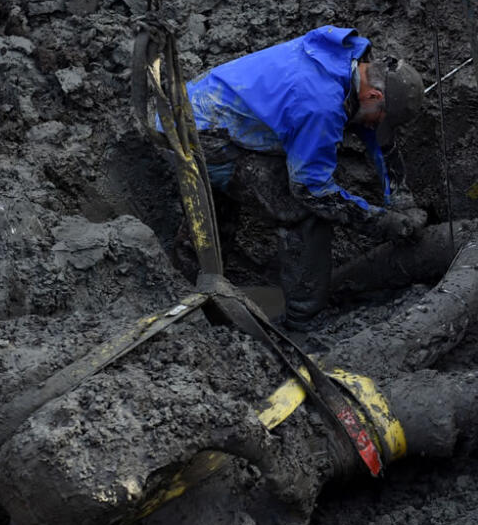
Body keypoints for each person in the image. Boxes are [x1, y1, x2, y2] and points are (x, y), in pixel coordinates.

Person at [173, 25, 427, 328]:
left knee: (239, 193)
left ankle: (186, 282)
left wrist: (401, 200)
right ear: (373, 94)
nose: (374, 128)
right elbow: (312, 191)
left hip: (206, 108)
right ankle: (302, 321)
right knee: (303, 214)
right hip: (200, 134)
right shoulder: (320, 104)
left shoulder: (352, 61)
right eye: (380, 119)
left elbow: (380, 141)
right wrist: (381, 222)